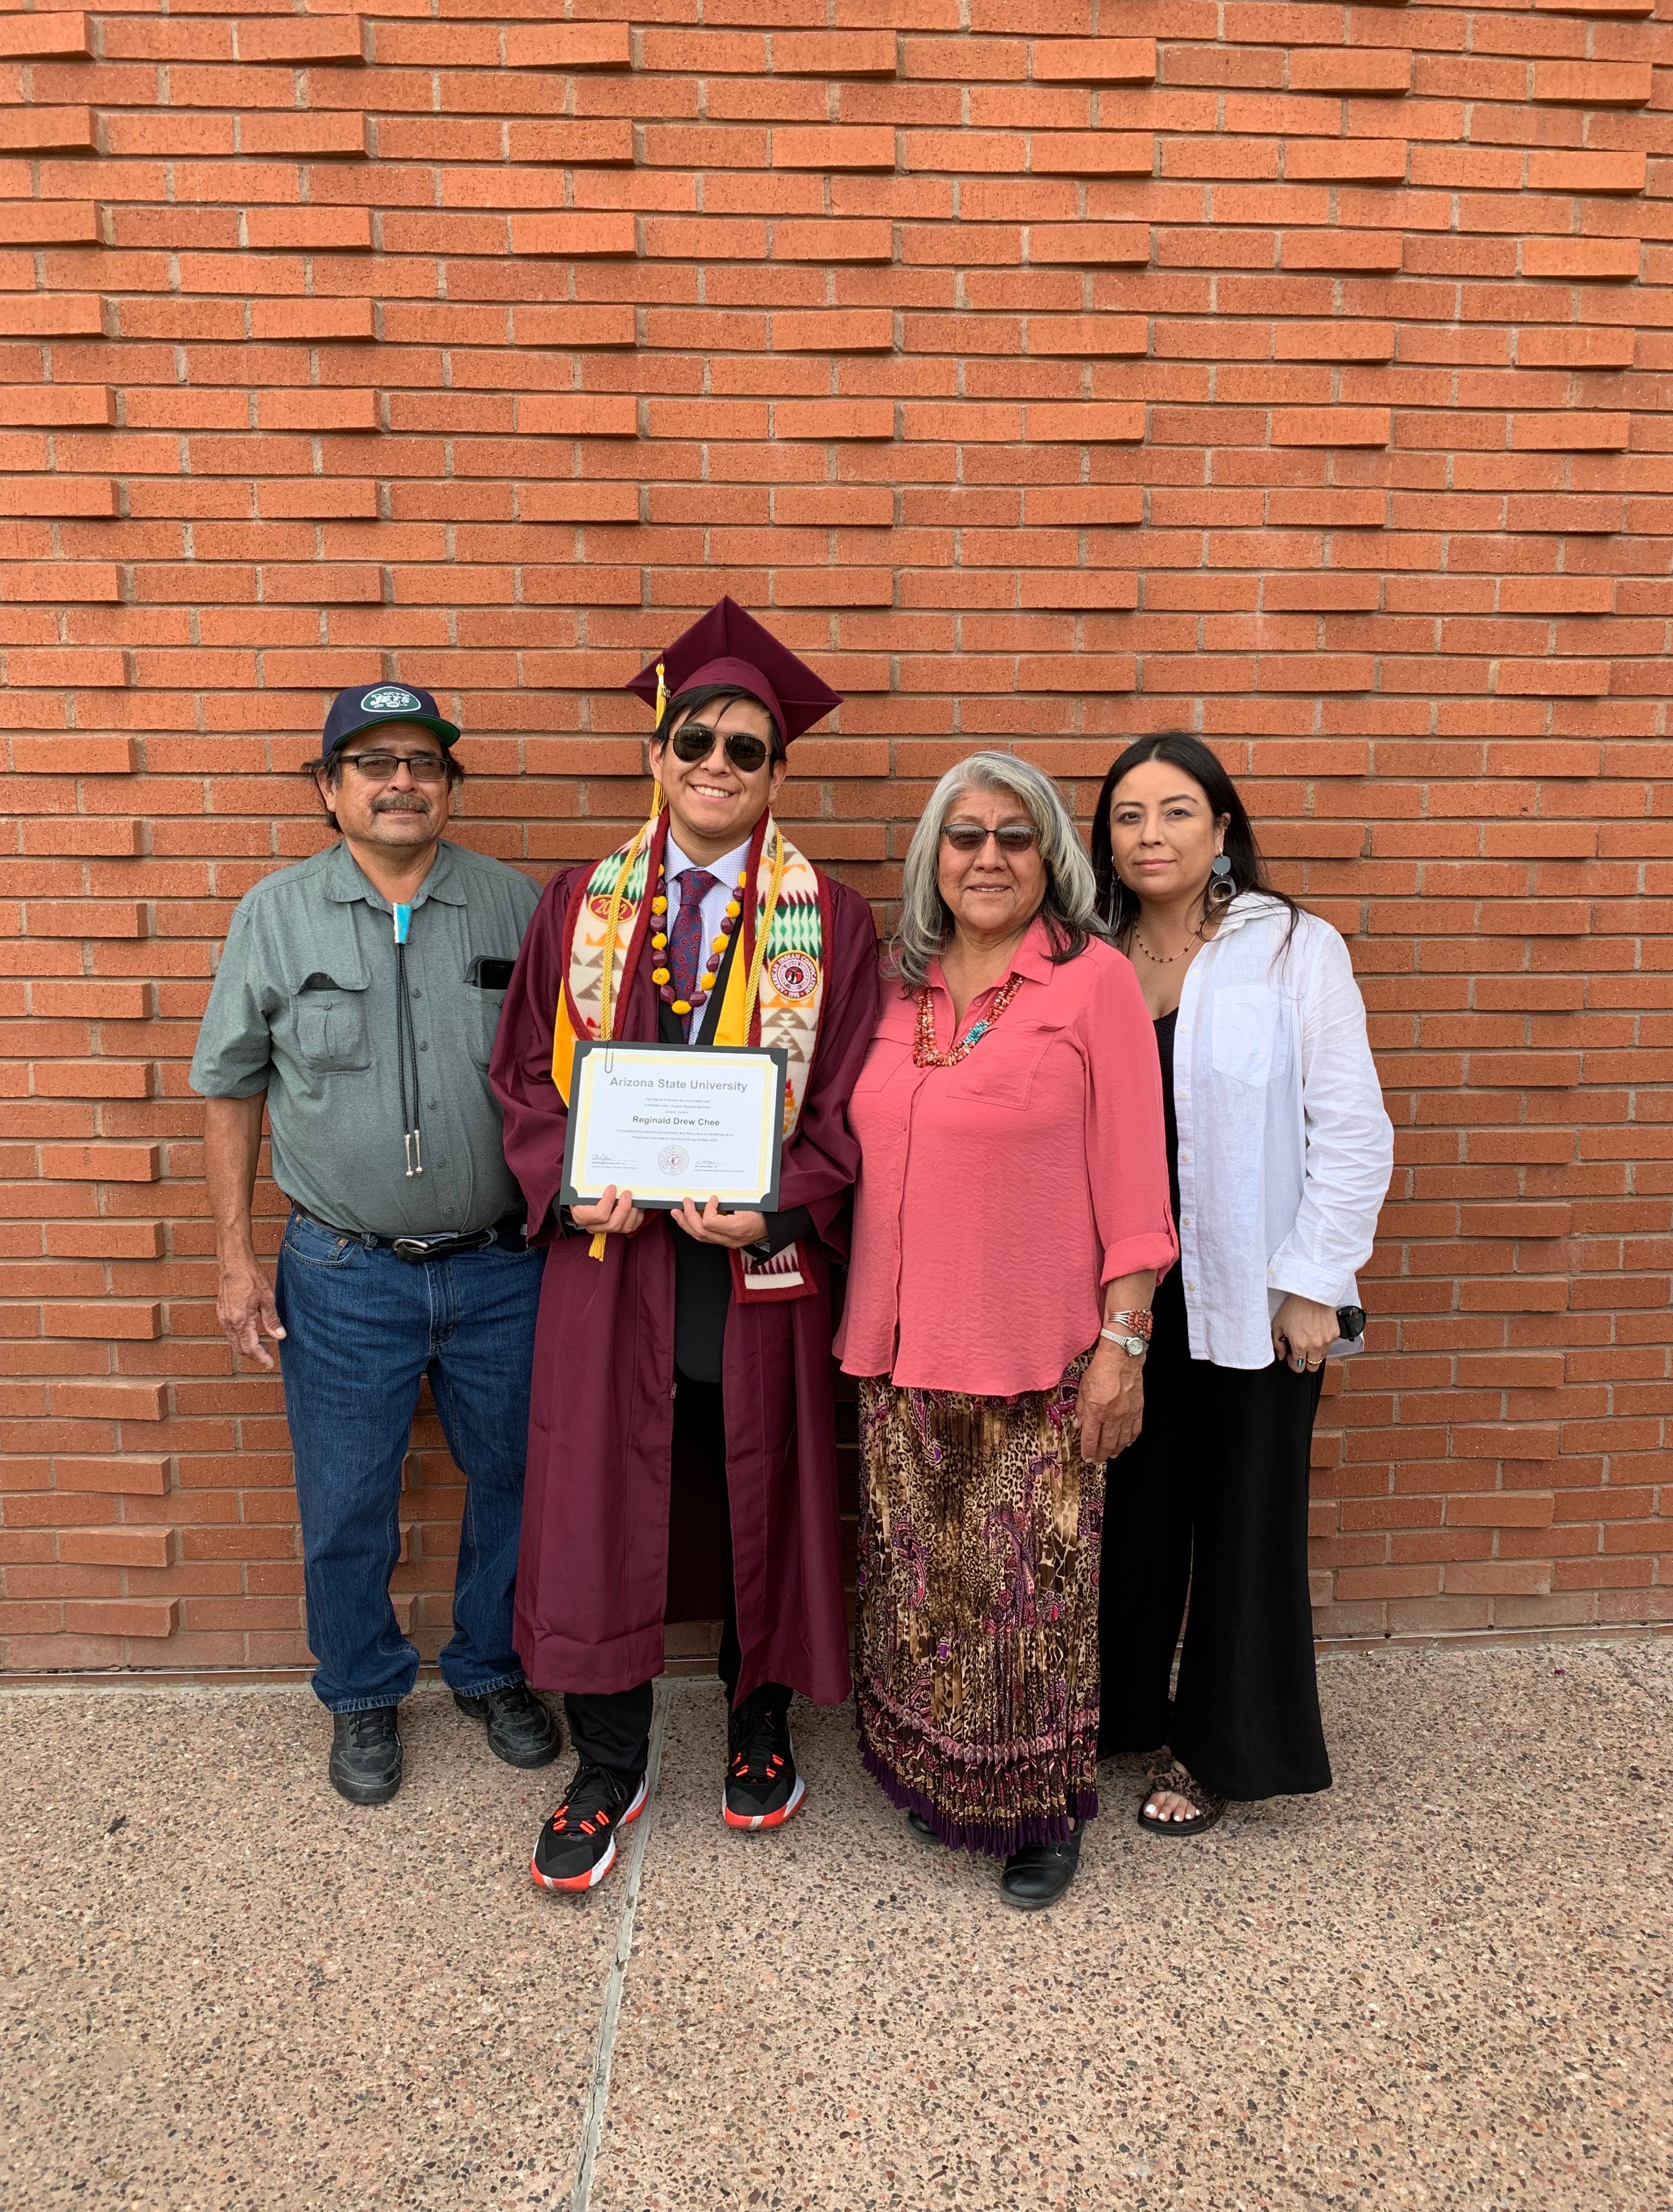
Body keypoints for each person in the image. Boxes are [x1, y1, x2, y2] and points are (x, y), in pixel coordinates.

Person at [490, 597, 881, 1894]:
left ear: (779, 774)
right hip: (614, 1267)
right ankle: (610, 1762)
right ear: (656, 756)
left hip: (753, 1268)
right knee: (602, 1498)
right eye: (695, 741)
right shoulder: (578, 905)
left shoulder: (832, 920)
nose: (718, 764)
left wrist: (781, 1202)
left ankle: (760, 1724)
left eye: (746, 749)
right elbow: (522, 1082)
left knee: (759, 1490)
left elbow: (848, 1104)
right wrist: (569, 1185)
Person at [189, 682, 561, 1805]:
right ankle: (360, 1691)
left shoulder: (514, 908)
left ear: (451, 786)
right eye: (373, 762)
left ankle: (491, 1669)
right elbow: (230, 1088)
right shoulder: (276, 915)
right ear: (329, 788)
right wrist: (234, 1260)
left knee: (516, 1481)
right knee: (346, 1497)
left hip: (503, 1267)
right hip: (343, 1273)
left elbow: (576, 1068)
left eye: (424, 762)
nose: (402, 781)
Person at [836, 751, 1176, 1911]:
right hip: (898, 1349)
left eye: (1014, 837)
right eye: (966, 835)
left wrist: (1124, 1348)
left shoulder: (1095, 985)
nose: (989, 857)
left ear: (1050, 858)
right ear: (934, 857)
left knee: (1029, 1601)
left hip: (1037, 1356)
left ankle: (1038, 1808)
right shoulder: (894, 988)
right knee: (921, 1589)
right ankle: (938, 1775)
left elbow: (1138, 1188)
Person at [1089, 732, 1393, 1833]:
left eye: (1176, 811)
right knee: (1128, 1512)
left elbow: (1351, 1128)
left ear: (1221, 829)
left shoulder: (1292, 948)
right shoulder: (1090, 953)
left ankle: (1217, 1747)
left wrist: (1315, 1283)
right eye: (1129, 815)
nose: (1151, 835)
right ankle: (1118, 1712)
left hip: (1256, 1294)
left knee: (1244, 1523)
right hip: (1127, 1292)